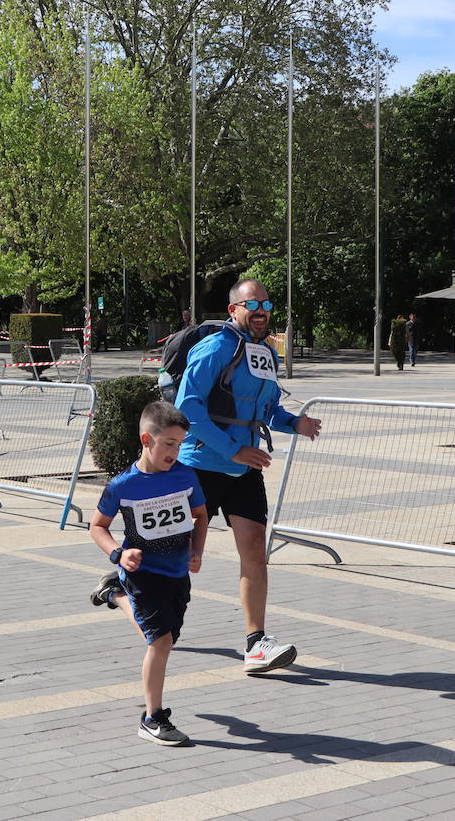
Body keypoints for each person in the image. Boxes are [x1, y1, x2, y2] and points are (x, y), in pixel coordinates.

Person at [176, 278, 321, 673]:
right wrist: (233, 447)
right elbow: (187, 409)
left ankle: (256, 643)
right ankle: (124, 582)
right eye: (251, 303)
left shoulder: (266, 354)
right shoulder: (216, 347)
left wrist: (297, 423)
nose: (261, 310)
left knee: (255, 547)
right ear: (233, 310)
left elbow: (268, 410)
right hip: (200, 464)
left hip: (243, 467)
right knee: (177, 553)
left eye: (266, 303)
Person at [88, 401, 208, 746]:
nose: (176, 451)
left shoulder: (185, 476)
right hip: (143, 572)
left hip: (175, 574)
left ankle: (113, 593)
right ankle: (153, 718)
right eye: (169, 443)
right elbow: (97, 526)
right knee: (160, 642)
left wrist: (197, 550)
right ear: (146, 439)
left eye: (181, 444)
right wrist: (118, 553)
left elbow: (200, 515)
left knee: (168, 634)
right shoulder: (123, 485)